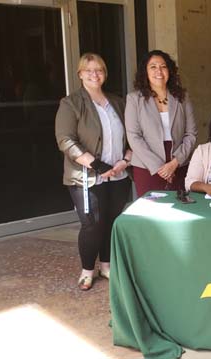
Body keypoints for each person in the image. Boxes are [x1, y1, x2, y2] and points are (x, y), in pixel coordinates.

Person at [55, 53, 132, 291]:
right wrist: (97, 165)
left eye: (99, 69)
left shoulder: (117, 102)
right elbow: (65, 140)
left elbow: (131, 137)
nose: (94, 74)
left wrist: (125, 160)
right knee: (92, 225)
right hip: (87, 177)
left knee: (111, 222)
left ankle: (106, 266)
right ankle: (87, 270)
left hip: (118, 175)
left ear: (105, 73)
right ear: (80, 74)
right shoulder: (71, 103)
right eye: (88, 70)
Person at [126, 50, 197, 197]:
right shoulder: (134, 99)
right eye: (153, 66)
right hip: (147, 166)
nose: (159, 71)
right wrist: (159, 167)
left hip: (178, 162)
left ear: (169, 70)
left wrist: (175, 163)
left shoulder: (182, 97)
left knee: (179, 210)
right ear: (145, 71)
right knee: (152, 213)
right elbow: (134, 136)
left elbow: (191, 133)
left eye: (163, 66)